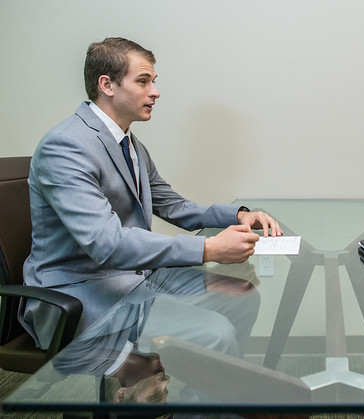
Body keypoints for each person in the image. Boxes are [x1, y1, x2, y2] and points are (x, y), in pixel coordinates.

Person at [21, 37, 281, 349]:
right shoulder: (65, 147)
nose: (155, 92)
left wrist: (238, 214)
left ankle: (200, 395)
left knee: (242, 297)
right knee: (215, 332)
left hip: (134, 277)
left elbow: (172, 205)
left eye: (153, 82)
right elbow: (106, 243)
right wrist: (208, 249)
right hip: (80, 293)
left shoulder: (130, 145)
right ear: (107, 85)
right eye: (143, 81)